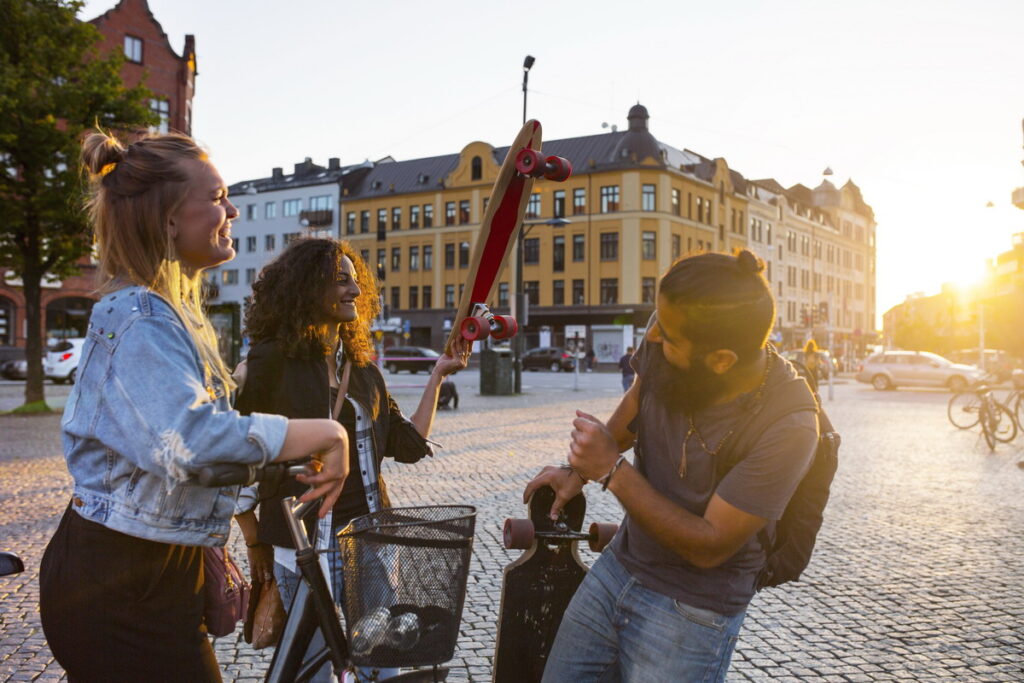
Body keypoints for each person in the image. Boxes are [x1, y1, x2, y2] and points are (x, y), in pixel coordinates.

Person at [38, 131, 349, 682]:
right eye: (216, 196)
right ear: (167, 220)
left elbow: (183, 449)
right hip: (119, 581)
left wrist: (274, 463)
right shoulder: (139, 316)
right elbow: (188, 442)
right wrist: (327, 433)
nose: (230, 210)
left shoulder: (167, 313)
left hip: (151, 570)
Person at [525, 250, 819, 681]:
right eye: (656, 319)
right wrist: (578, 471)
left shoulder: (789, 424)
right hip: (619, 568)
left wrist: (611, 471)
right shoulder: (670, 329)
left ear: (721, 361)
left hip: (693, 609)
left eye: (669, 336)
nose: (654, 335)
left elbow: (711, 544)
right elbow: (638, 401)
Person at [232, 237, 469, 682]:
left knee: (382, 661)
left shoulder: (363, 371)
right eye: (340, 280)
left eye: (355, 280)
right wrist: (253, 544)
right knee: (312, 669)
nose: (355, 291)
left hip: (369, 542)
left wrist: (438, 375)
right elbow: (235, 452)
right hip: (301, 548)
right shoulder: (271, 362)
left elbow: (409, 443)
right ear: (305, 289)